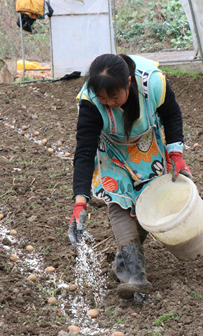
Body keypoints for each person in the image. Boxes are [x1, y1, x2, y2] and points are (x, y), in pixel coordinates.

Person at [68, 54, 191, 299]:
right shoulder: (91, 104)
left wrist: (175, 154)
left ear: (128, 82)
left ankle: (123, 263)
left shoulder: (153, 84)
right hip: (112, 151)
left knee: (149, 202)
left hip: (145, 144)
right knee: (120, 201)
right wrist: (80, 201)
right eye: (103, 98)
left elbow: (172, 115)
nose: (109, 102)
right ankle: (137, 277)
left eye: (114, 96)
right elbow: (84, 152)